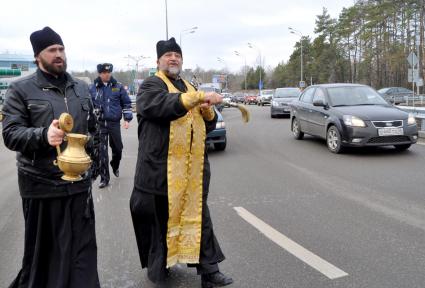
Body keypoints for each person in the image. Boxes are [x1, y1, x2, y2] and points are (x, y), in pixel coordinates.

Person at [130, 37, 233, 288]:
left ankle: (210, 272)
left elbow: (204, 126)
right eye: (168, 55)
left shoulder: (188, 85)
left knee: (198, 220)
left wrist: (208, 112)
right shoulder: (150, 86)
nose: (173, 58)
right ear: (158, 61)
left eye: (177, 55)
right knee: (160, 221)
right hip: (158, 170)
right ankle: (161, 266)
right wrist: (195, 98)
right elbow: (161, 106)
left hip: (192, 171)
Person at [2, 27, 100, 287]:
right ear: (38, 56)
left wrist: (95, 161)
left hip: (79, 185)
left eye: (61, 49)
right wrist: (43, 135)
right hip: (42, 186)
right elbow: (11, 134)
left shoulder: (80, 87)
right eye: (51, 50)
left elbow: (92, 128)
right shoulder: (20, 89)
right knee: (44, 258)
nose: (59, 54)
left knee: (82, 253)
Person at [89, 63, 133, 189]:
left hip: (114, 124)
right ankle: (104, 179)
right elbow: (87, 105)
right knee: (102, 152)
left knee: (118, 148)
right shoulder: (92, 88)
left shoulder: (118, 87)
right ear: (99, 73)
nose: (107, 74)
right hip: (100, 124)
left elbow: (126, 103)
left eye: (109, 72)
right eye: (104, 73)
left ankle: (115, 164)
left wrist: (127, 119)